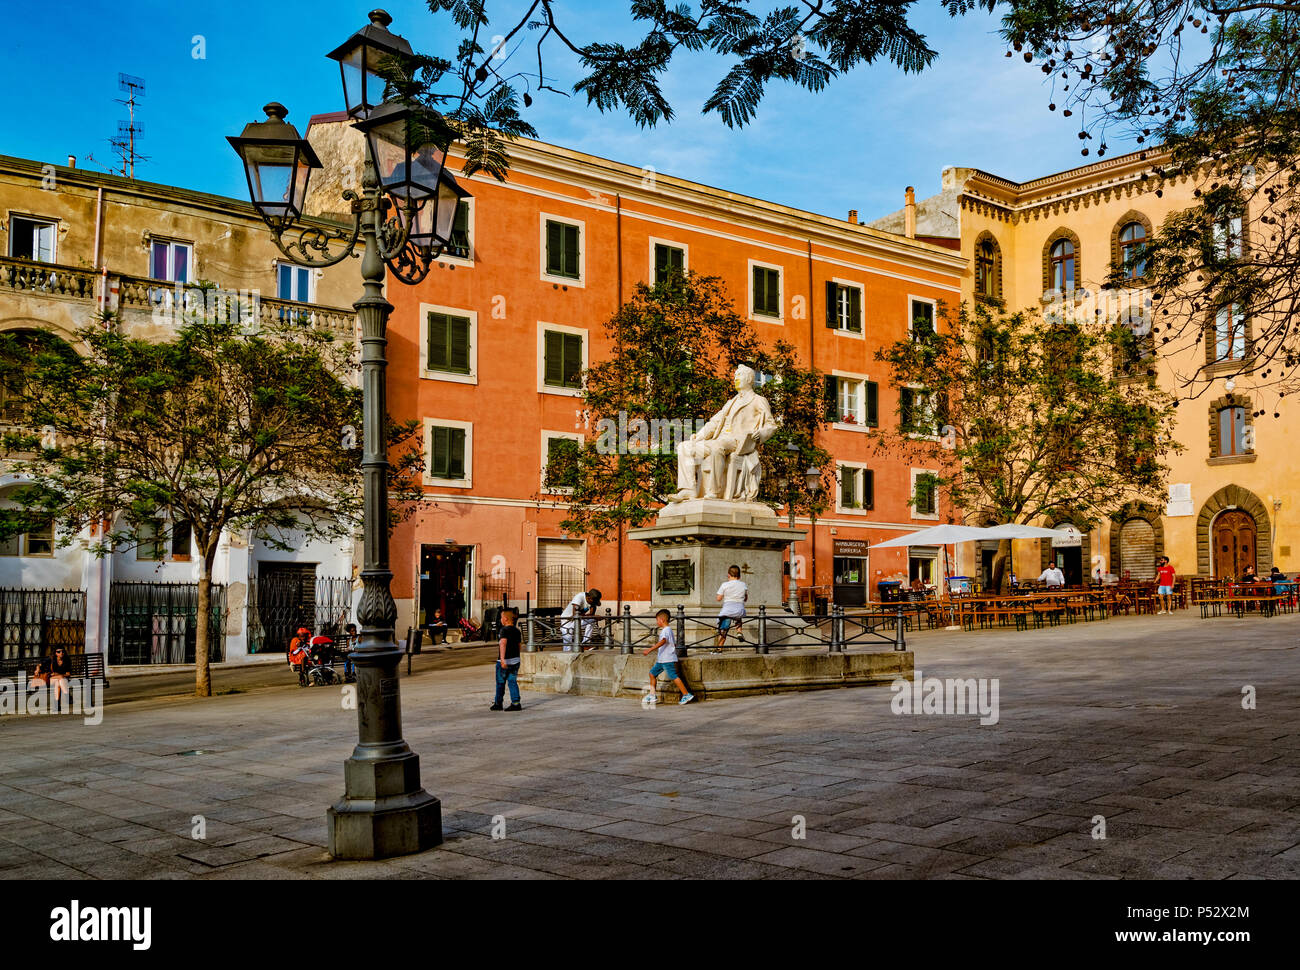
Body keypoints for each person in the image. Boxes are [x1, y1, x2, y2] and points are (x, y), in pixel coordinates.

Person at [644, 609, 694, 706]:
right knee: (652, 673)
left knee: (673, 676)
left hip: (667, 659)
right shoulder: (668, 630)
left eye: (657, 620)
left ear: (662, 619)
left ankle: (686, 694)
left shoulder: (666, 630)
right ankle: (652, 695)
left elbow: (663, 640)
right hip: (662, 659)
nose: (656, 622)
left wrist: (650, 649)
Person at [489, 607, 523, 712]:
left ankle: (498, 703)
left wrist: (502, 659)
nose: (500, 619)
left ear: (506, 619)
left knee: (500, 682)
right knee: (512, 682)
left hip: (504, 661)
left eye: (501, 617)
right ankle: (516, 703)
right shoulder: (517, 631)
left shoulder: (503, 630)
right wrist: (517, 657)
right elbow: (519, 645)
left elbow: (503, 644)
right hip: (515, 661)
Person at [715, 565, 748, 648]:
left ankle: (719, 648)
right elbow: (745, 598)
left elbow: (718, 598)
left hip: (727, 611)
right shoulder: (743, 585)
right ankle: (739, 632)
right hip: (739, 610)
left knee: (724, 630)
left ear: (728, 575)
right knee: (738, 618)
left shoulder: (724, 585)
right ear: (739, 576)